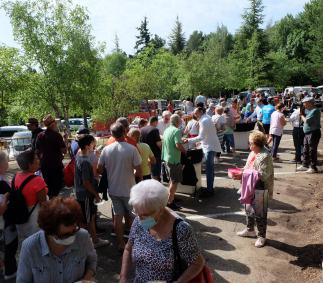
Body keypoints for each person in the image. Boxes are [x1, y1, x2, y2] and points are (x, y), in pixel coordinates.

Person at [119, 179, 205, 283]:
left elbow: (197, 263)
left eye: (145, 215)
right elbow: (128, 248)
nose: (140, 219)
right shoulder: (139, 220)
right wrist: (123, 277)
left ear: (160, 209)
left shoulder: (181, 230)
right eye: (136, 213)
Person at [16, 197, 97, 283]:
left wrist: (86, 279)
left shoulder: (82, 237)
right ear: (50, 232)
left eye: (74, 230)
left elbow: (92, 261)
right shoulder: (30, 247)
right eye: (65, 235)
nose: (72, 236)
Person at [98, 123, 142, 251]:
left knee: (118, 217)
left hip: (113, 189)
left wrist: (111, 169)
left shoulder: (106, 150)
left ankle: (120, 243)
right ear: (124, 133)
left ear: (112, 135)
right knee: (134, 215)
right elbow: (138, 171)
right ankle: (136, 241)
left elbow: (99, 170)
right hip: (129, 188)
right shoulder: (131, 149)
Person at [234, 131, 274, 248]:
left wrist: (243, 175)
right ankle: (250, 230)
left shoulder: (265, 156)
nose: (249, 145)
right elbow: (248, 168)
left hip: (260, 187)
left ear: (257, 144)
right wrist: (240, 171)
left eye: (250, 143)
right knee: (248, 209)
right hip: (249, 186)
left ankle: (262, 236)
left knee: (260, 214)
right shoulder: (253, 153)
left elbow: (263, 175)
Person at [74, 134, 109, 248]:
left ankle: (91, 239)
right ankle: (94, 241)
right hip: (85, 194)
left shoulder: (80, 155)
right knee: (90, 218)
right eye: (92, 143)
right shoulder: (84, 161)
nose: (94, 145)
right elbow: (86, 182)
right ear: (87, 145)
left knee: (90, 216)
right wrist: (96, 194)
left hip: (85, 193)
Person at [186, 107, 222, 197]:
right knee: (210, 169)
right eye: (194, 113)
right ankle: (210, 188)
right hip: (210, 145)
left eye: (196, 113)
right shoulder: (206, 118)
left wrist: (188, 140)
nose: (195, 115)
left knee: (209, 169)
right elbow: (206, 135)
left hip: (209, 147)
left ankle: (209, 190)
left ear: (201, 112)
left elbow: (201, 137)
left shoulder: (204, 120)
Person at [13, 149, 48, 240]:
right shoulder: (37, 180)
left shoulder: (15, 176)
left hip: (20, 217)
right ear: (30, 164)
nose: (39, 160)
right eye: (36, 159)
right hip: (34, 219)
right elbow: (43, 204)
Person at [35, 114, 67, 197]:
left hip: (45, 166)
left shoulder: (40, 135)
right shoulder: (56, 136)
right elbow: (64, 150)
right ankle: (53, 205)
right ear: (53, 124)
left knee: (48, 187)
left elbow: (37, 151)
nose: (56, 125)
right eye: (55, 123)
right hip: (56, 165)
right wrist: (65, 140)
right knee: (56, 187)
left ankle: (50, 204)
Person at [161, 114, 186, 210]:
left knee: (172, 181)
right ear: (177, 121)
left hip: (167, 158)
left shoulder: (167, 130)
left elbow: (169, 142)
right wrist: (184, 151)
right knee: (174, 182)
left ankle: (170, 199)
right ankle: (170, 202)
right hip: (174, 160)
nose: (181, 121)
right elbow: (177, 145)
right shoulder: (176, 131)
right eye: (180, 120)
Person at [0, 151, 17, 280]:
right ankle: (9, 274)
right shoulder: (2, 183)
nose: (7, 164)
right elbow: (2, 208)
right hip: (3, 225)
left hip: (5, 224)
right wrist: (6, 199)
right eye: (6, 161)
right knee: (7, 249)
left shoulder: (4, 178)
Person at [297, 97, 321, 173]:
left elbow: (307, 121)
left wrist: (301, 115)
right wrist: (302, 112)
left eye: (305, 103)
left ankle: (313, 167)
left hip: (313, 132)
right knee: (305, 149)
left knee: (312, 150)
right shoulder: (310, 110)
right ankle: (305, 165)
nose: (304, 104)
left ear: (310, 103)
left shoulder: (315, 111)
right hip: (308, 132)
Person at [140, 116, 162, 181]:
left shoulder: (141, 129)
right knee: (155, 174)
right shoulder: (155, 130)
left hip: (144, 154)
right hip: (155, 155)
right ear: (155, 122)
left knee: (147, 173)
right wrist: (162, 152)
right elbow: (159, 144)